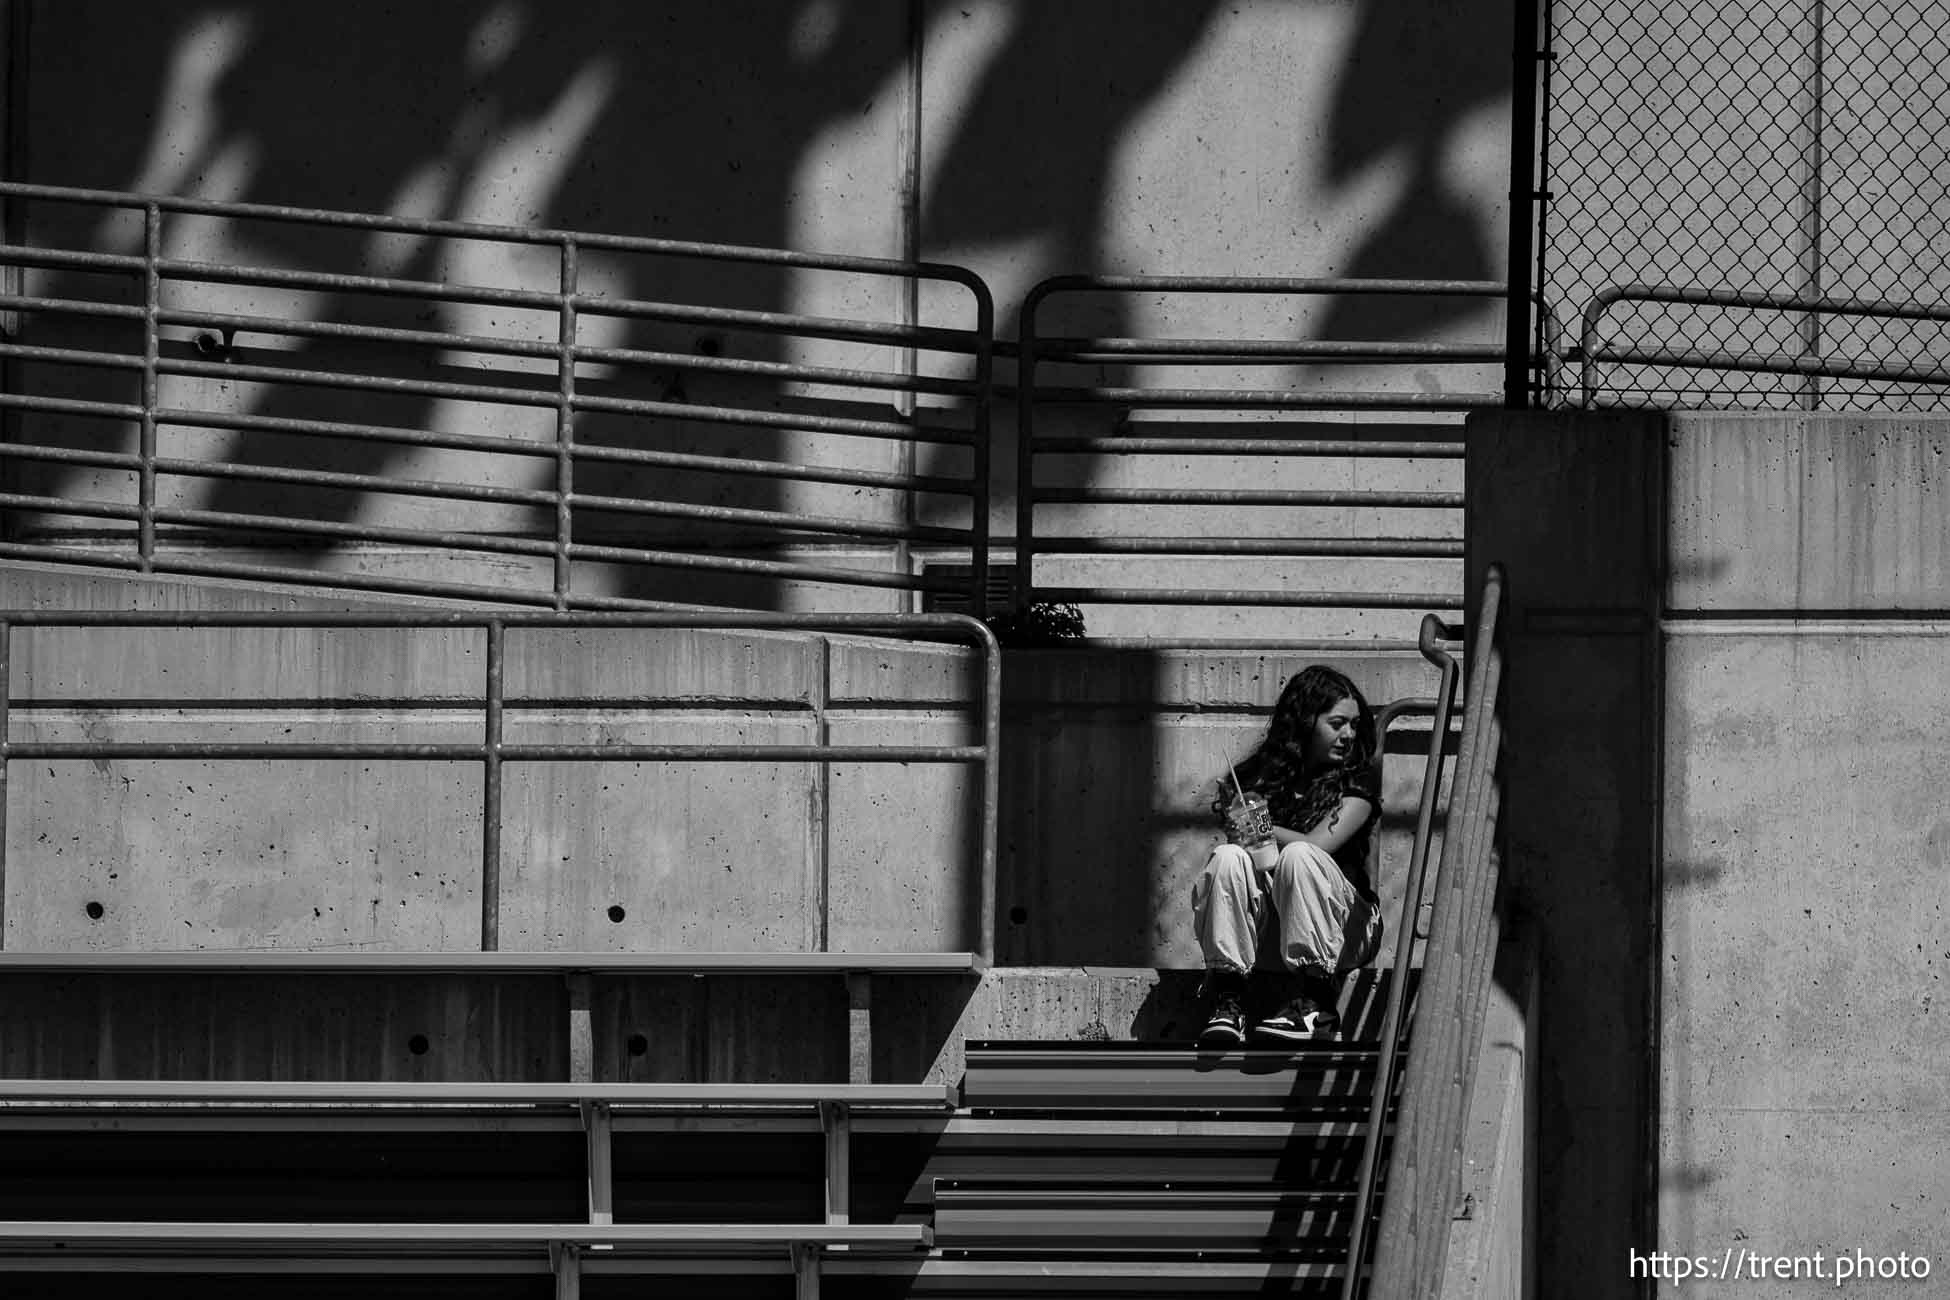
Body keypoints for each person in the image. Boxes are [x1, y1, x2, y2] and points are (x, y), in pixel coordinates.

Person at [1191, 665, 1383, 1046]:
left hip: (1348, 931)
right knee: (1229, 856)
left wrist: (1259, 823)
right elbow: (1253, 861)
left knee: (1300, 855)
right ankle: (1228, 1001)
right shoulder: (1259, 779)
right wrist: (1240, 826)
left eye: (1354, 725)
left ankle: (1317, 1005)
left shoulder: (1357, 784)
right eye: (1338, 723)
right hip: (1275, 930)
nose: (1349, 735)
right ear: (1305, 723)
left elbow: (1317, 847)